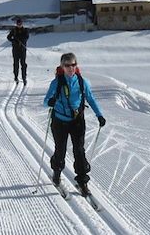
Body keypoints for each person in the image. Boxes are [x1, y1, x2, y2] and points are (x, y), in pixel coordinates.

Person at [43, 52, 106, 196]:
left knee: (79, 150)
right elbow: (46, 100)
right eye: (67, 65)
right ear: (62, 67)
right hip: (59, 121)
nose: (71, 68)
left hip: (77, 120)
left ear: (76, 66)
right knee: (60, 149)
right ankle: (57, 173)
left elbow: (91, 99)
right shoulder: (57, 82)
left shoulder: (82, 82)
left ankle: (83, 182)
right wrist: (50, 102)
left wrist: (99, 115)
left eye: (73, 65)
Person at [7, 17, 29, 84]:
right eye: (18, 24)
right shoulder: (13, 30)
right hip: (15, 50)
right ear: (16, 24)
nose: (19, 25)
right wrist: (13, 41)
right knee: (16, 64)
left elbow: (27, 37)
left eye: (20, 24)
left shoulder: (25, 30)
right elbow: (8, 37)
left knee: (23, 64)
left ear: (22, 24)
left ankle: (24, 77)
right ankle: (16, 77)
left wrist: (21, 40)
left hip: (22, 50)